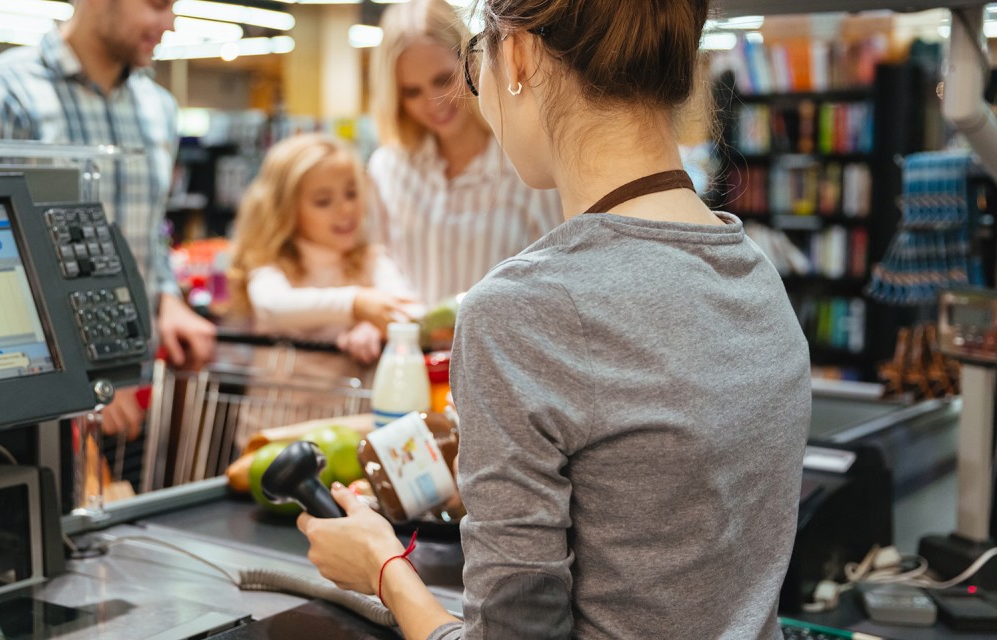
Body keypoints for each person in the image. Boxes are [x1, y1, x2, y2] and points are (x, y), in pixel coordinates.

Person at [298, 0, 811, 638]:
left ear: (515, 55)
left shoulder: (518, 313)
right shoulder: (758, 276)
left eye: (470, 61)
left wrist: (381, 566)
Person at [0, 0, 216, 439]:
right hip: (31, 403)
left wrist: (168, 298)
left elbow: (146, 232)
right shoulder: (3, 92)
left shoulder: (157, 107)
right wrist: (82, 381)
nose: (170, 23)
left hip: (134, 390)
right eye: (158, 4)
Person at [366, 0, 563, 307]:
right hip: (410, 351)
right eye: (411, 91)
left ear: (473, 63)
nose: (433, 103)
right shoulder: (387, 169)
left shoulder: (528, 165)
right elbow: (374, 257)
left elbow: (559, 272)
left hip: (501, 351)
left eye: (443, 79)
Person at [228, 133, 416, 367]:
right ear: (286, 210)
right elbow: (272, 306)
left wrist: (373, 326)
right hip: (275, 402)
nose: (346, 209)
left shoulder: (371, 260)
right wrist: (355, 304)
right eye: (323, 201)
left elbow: (411, 311)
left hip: (351, 402)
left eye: (351, 193)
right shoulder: (270, 262)